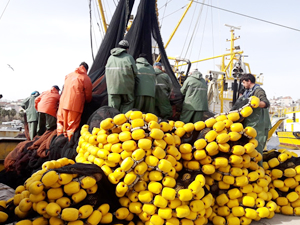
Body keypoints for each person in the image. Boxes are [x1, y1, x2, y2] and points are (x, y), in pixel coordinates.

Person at [239, 73, 271, 166]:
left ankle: (259, 169)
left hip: (259, 124)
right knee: (250, 147)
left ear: (249, 81)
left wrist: (252, 103)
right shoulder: (248, 91)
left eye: (244, 82)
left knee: (257, 146)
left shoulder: (258, 91)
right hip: (250, 123)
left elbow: (265, 103)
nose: (243, 85)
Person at [57, 62, 92, 140]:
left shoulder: (68, 75)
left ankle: (58, 142)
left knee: (61, 125)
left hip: (62, 104)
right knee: (71, 127)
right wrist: (88, 101)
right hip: (74, 105)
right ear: (86, 69)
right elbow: (88, 93)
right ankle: (69, 145)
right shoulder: (85, 78)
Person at [105, 39, 138, 113]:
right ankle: (123, 121)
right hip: (126, 88)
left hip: (112, 88)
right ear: (127, 49)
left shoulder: (110, 58)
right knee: (128, 103)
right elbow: (135, 72)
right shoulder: (129, 58)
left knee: (113, 108)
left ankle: (113, 122)